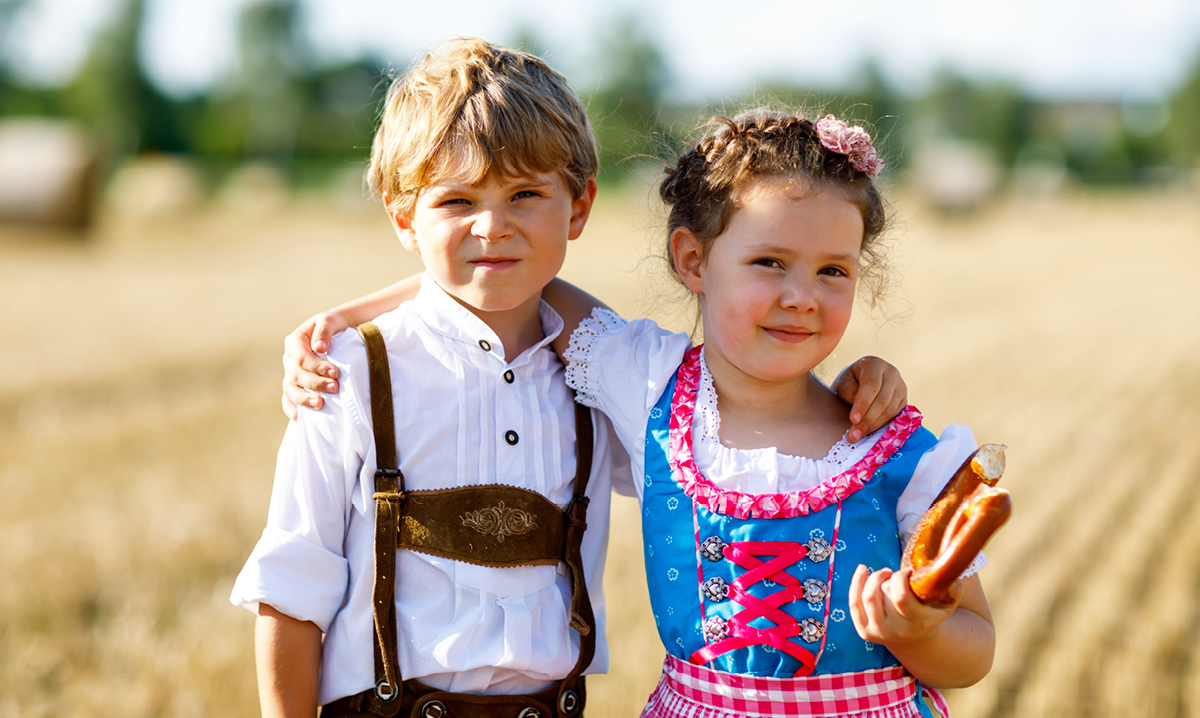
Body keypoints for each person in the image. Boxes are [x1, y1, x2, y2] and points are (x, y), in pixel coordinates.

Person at [237, 37, 910, 718]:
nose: (492, 226)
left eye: (526, 194)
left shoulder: (607, 382)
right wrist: (350, 318)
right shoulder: (347, 375)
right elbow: (291, 591)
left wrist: (854, 387)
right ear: (404, 216)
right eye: (456, 202)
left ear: (580, 206)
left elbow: (746, 407)